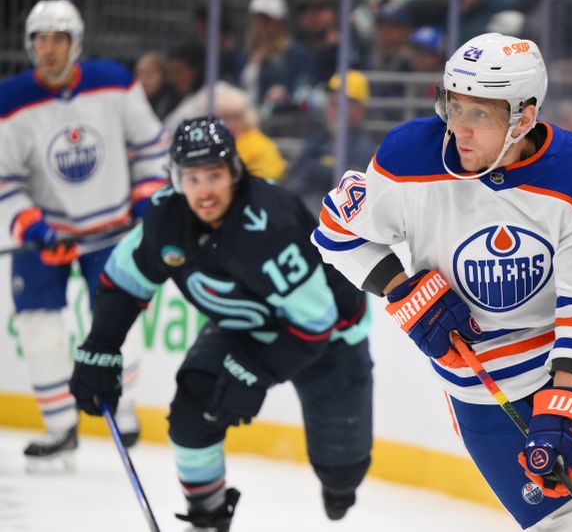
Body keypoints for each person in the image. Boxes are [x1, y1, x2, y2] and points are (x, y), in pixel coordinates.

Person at [312, 33, 572, 531]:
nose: (459, 131)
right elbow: (337, 231)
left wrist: (567, 401)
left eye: (480, 115)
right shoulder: (409, 158)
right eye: (453, 106)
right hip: (482, 380)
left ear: (525, 118)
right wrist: (404, 291)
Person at [69, 117, 374, 531]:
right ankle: (207, 520)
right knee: (193, 416)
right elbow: (124, 283)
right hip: (244, 325)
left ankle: (339, 483)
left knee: (341, 478)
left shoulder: (269, 223)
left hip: (331, 337)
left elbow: (315, 322)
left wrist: (254, 372)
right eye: (191, 178)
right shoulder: (166, 217)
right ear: (175, 179)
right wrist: (101, 345)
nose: (204, 190)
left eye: (213, 175)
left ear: (234, 171)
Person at [0, 0, 167, 469]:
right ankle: (60, 428)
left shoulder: (113, 81)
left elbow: (151, 147)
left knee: (120, 321)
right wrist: (31, 224)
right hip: (45, 234)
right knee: (37, 327)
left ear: (76, 44)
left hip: (110, 230)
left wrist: (147, 196)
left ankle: (123, 405)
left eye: (57, 39)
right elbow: (5, 179)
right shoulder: (11, 99)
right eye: (39, 39)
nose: (48, 49)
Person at [283, 70, 375, 214]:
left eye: (341, 104)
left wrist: (316, 170)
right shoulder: (317, 140)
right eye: (332, 103)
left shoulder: (363, 150)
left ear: (360, 110)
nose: (334, 110)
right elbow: (292, 180)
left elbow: (350, 196)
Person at [211, 82, 287, 181]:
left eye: (235, 118)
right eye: (223, 119)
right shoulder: (221, 142)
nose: (229, 125)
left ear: (245, 118)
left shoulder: (256, 144)